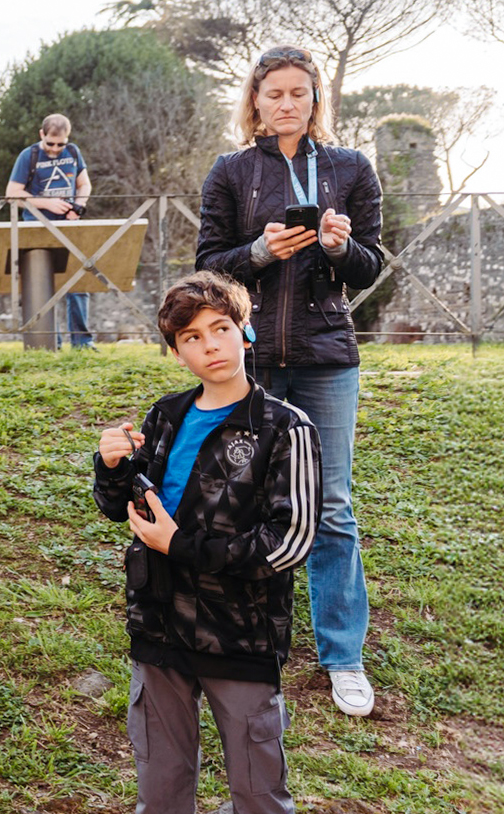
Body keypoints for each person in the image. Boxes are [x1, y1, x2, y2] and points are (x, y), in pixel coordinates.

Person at [196, 45, 384, 718]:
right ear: (254, 99)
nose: (285, 103)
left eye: (298, 93)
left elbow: (372, 268)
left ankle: (344, 657)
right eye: (273, 92)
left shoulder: (351, 169)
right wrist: (257, 253)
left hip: (328, 357)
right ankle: (253, 641)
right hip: (254, 362)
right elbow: (208, 267)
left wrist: (336, 247)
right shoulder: (230, 171)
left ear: (314, 99)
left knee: (330, 505)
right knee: (247, 503)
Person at [93, 271, 320, 814]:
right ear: (176, 352)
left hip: (239, 637)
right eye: (191, 337)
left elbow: (290, 542)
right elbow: (124, 507)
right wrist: (111, 468)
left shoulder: (285, 428)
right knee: (162, 793)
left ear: (246, 334)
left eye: (220, 328)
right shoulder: (166, 415)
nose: (210, 344)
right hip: (158, 626)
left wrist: (183, 547)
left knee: (258, 796)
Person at [4, 113, 95, 348]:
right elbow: (12, 193)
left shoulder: (73, 153)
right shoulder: (29, 155)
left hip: (69, 225)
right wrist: (46, 203)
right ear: (42, 135)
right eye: (50, 143)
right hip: (37, 228)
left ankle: (82, 343)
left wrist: (79, 206)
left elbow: (84, 184)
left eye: (60, 144)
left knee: (78, 283)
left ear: (68, 138)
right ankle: (49, 343)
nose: (55, 149)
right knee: (44, 286)